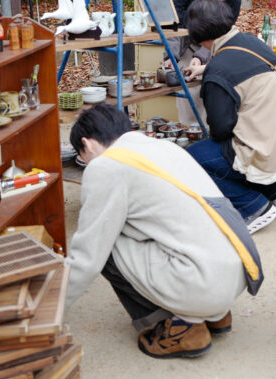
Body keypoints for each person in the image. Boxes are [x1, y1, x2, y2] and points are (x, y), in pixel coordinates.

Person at [65, 104, 263, 359]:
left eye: (83, 157)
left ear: (87, 145)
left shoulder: (105, 166)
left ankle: (179, 326)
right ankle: (212, 315)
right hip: (236, 274)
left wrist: (50, 310)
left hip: (203, 284)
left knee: (105, 241)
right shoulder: (163, 147)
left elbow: (87, 258)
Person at [183, 0, 276, 233]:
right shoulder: (250, 42)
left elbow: (220, 128)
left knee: (193, 158)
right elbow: (240, 69)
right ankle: (275, 191)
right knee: (250, 130)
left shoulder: (218, 72)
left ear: (198, 35)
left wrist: (211, 78)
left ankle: (252, 207)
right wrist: (208, 70)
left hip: (264, 149)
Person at [166, 0, 242, 122]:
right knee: (188, 80)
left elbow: (223, 35)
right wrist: (171, 57)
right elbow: (172, 27)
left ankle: (211, 129)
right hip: (183, 39)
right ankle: (189, 129)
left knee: (216, 79)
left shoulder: (234, 1)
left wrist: (201, 57)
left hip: (216, 43)